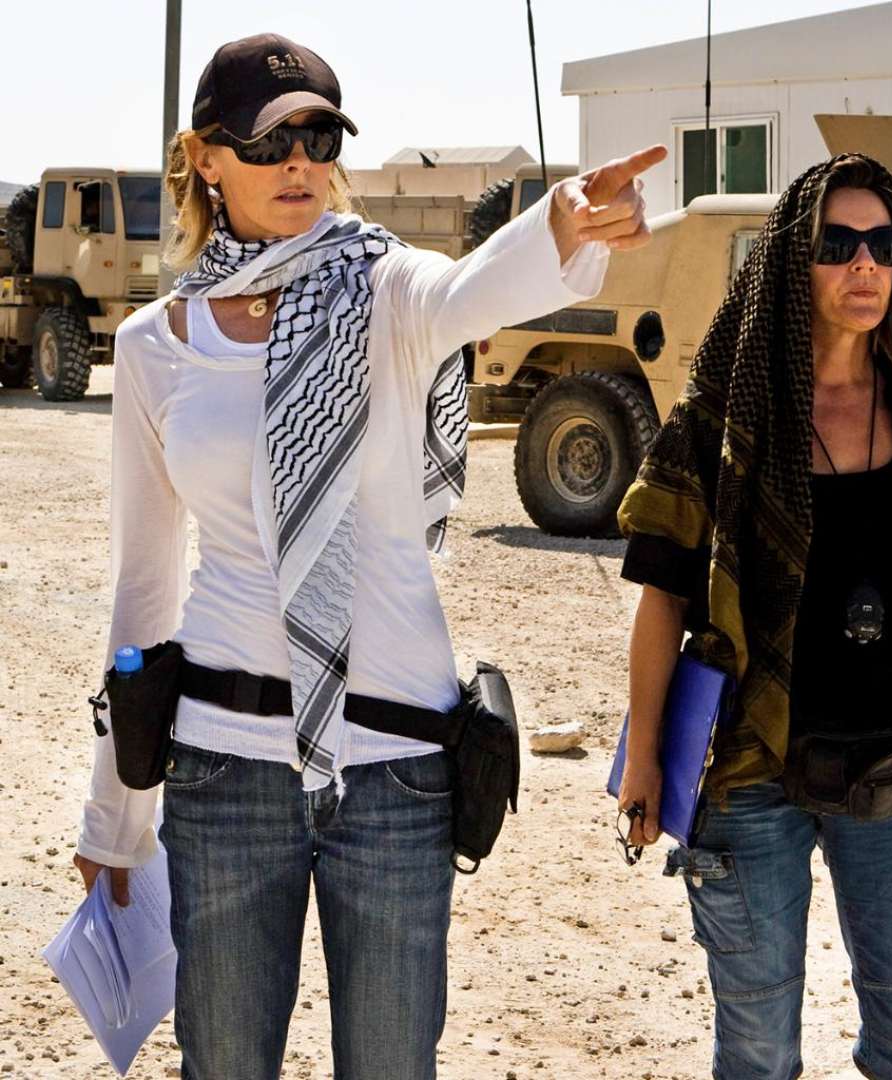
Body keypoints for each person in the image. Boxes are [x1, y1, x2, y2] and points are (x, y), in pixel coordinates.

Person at [71, 33, 664, 1080]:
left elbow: (470, 291)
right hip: (220, 769)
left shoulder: (384, 290)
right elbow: (145, 587)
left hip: (396, 777)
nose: (299, 161)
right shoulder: (155, 347)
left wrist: (562, 224)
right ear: (206, 158)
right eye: (269, 142)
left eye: (317, 137)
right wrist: (116, 818)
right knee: (224, 1066)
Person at [616, 154, 892, 1080]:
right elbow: (663, 597)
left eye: (882, 245)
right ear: (796, 265)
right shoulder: (729, 416)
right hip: (750, 773)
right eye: (838, 245)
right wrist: (643, 758)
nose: (864, 265)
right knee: (756, 1052)